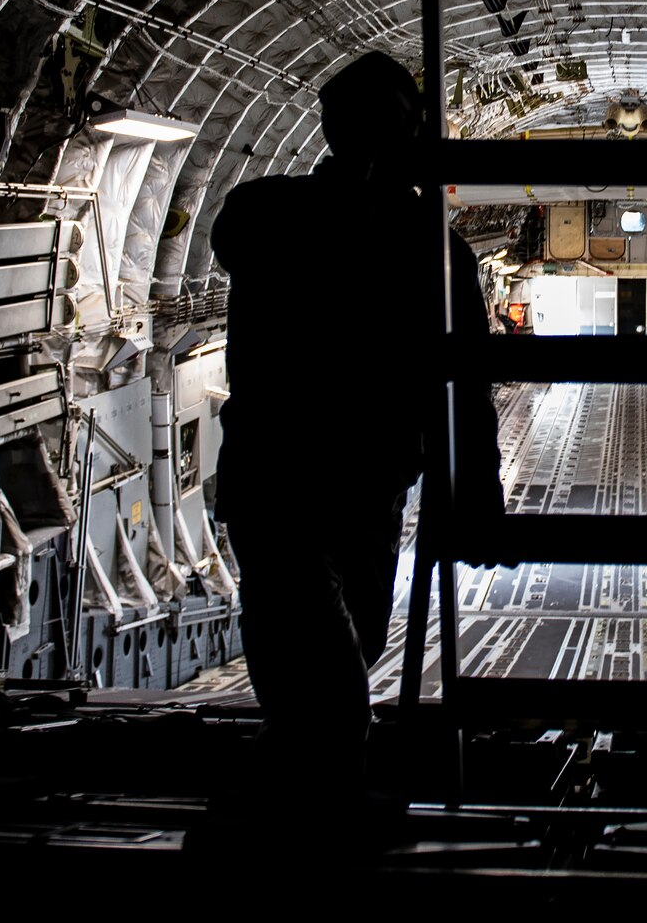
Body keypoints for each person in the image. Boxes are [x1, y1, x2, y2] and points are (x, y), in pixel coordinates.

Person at [209, 51, 504, 820]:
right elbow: (465, 387)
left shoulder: (260, 210)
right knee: (325, 674)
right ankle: (316, 823)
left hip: (334, 482)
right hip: (304, 482)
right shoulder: (419, 246)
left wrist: (467, 490)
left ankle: (289, 793)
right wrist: (472, 493)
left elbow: (464, 383)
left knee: (348, 644)